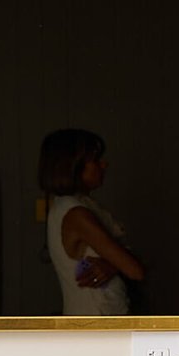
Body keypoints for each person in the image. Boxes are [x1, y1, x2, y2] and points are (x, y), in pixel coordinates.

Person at [37, 129, 145, 317]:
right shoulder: (77, 214)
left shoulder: (71, 205)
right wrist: (116, 265)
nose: (104, 164)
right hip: (97, 319)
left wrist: (111, 265)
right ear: (73, 166)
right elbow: (135, 270)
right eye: (95, 160)